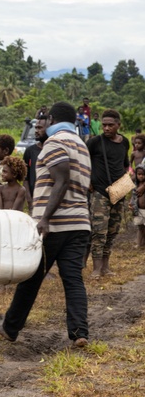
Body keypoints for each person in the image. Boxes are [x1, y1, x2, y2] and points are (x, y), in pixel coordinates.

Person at [0, 102, 91, 348]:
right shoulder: (81, 144)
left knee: (31, 277)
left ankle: (10, 327)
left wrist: (45, 218)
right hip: (80, 223)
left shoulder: (55, 142)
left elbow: (62, 180)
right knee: (73, 279)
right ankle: (79, 333)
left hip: (55, 225)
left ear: (52, 119)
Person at [86, 109, 129, 278]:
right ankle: (96, 268)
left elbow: (124, 164)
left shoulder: (124, 142)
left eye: (111, 125)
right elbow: (83, 161)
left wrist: (126, 181)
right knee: (99, 231)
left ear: (118, 125)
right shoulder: (95, 142)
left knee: (113, 230)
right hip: (100, 193)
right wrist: (88, 180)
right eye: (104, 125)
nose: (106, 128)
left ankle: (105, 266)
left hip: (119, 191)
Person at [23, 115, 49, 201]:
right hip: (35, 199)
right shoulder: (30, 151)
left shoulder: (55, 150)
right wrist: (29, 200)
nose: (36, 131)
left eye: (40, 128)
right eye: (36, 128)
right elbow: (25, 178)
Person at [132, 165, 145, 248]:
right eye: (139, 174)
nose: (141, 176)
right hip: (138, 209)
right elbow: (133, 196)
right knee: (140, 227)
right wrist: (131, 203)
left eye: (143, 174)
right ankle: (140, 243)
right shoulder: (136, 184)